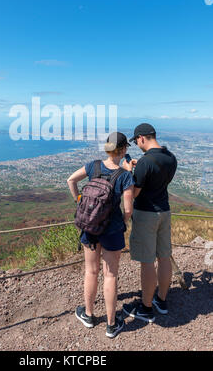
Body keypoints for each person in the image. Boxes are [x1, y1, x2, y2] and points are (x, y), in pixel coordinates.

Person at [67, 132, 134, 338]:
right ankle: (112, 325)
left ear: (107, 147)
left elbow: (71, 180)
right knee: (110, 275)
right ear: (123, 150)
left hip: (90, 227)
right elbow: (129, 210)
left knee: (91, 271)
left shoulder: (93, 166)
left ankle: (88, 315)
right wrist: (121, 222)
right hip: (112, 230)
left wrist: (80, 201)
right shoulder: (125, 176)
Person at [122, 123, 177, 323]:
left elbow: (134, 193)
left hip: (146, 214)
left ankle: (145, 308)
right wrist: (140, 168)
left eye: (136, 141)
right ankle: (161, 300)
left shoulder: (145, 162)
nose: (137, 144)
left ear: (142, 138)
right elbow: (158, 178)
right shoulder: (170, 157)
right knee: (164, 256)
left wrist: (130, 172)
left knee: (147, 262)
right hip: (165, 211)